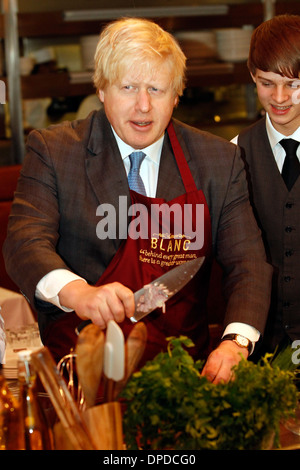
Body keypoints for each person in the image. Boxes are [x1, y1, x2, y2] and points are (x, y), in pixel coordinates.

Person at [3, 18, 272, 383]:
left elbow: (248, 264)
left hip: (182, 378)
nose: (143, 106)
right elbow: (25, 242)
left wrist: (236, 341)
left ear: (177, 95)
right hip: (81, 374)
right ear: (101, 89)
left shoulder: (218, 161)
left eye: (157, 89)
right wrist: (78, 292)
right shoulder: (54, 151)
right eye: (128, 87)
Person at [234, 14, 300, 358]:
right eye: (266, 83)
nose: (279, 97)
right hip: (260, 350)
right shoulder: (233, 154)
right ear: (252, 77)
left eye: (294, 84)